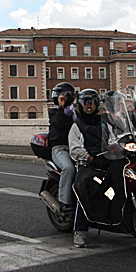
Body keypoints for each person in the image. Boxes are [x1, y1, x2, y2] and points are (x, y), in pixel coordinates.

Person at [67, 88, 109, 248]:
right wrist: (91, 158)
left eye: (92, 103)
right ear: (81, 105)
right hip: (86, 165)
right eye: (86, 103)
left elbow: (112, 139)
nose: (89, 106)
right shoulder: (77, 126)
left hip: (105, 161)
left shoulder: (104, 123)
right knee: (84, 191)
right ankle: (79, 230)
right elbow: (75, 150)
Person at [48, 82, 77, 214]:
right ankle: (64, 201)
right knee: (68, 167)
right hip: (60, 148)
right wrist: (61, 107)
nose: (64, 98)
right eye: (61, 96)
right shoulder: (54, 113)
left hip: (76, 148)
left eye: (66, 96)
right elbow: (58, 124)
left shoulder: (76, 113)